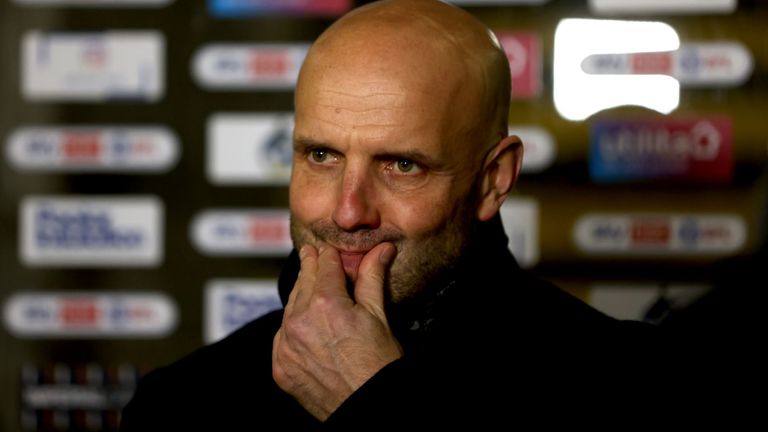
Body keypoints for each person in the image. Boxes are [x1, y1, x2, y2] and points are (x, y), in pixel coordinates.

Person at [120, 0, 675, 429]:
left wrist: (374, 404)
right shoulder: (183, 403)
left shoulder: (629, 387)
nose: (348, 209)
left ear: (493, 180)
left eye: (402, 165)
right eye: (321, 156)